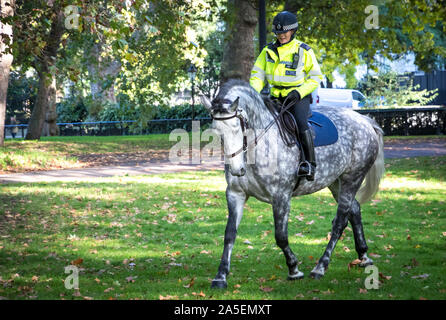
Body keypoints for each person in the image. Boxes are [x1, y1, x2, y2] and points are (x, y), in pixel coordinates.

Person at [249, 11, 323, 181]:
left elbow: (315, 77)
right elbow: (257, 75)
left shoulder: (303, 50)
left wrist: (299, 92)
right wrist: (254, 93)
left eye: (284, 32)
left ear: (292, 31)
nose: (281, 36)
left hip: (297, 96)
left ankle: (309, 163)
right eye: (278, 33)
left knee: (300, 122)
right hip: (274, 96)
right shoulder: (267, 51)